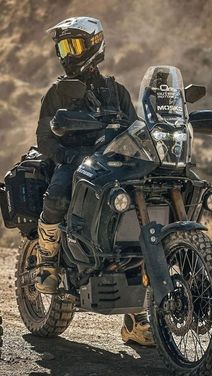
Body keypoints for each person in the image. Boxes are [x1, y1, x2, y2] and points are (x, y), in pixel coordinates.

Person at [36, 16, 154, 347]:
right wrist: (68, 157)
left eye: (72, 45)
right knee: (57, 193)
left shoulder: (116, 91)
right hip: (73, 161)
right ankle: (47, 258)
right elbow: (44, 139)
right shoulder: (57, 92)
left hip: (111, 167)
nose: (65, 54)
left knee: (132, 229)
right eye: (61, 47)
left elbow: (135, 130)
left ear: (94, 44)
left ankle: (136, 319)